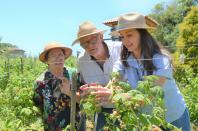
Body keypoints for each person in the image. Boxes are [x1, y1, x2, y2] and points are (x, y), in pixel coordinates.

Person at [94, 13, 190, 131]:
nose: (125, 41)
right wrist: (99, 91)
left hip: (174, 116)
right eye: (122, 36)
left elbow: (149, 95)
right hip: (148, 121)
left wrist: (115, 96)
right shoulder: (123, 62)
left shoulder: (161, 59)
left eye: (129, 35)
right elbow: (113, 82)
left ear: (142, 35)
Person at [72, 21, 122, 130]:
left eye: (92, 41)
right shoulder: (82, 61)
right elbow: (84, 87)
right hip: (101, 112)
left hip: (126, 107)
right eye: (84, 44)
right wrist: (87, 92)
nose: (89, 46)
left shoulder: (121, 49)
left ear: (101, 36)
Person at [33, 42, 85, 131]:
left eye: (61, 54)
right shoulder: (40, 82)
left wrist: (69, 92)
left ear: (64, 57)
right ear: (47, 61)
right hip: (52, 127)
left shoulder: (74, 75)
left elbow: (84, 100)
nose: (58, 58)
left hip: (77, 124)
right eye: (53, 55)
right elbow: (39, 105)